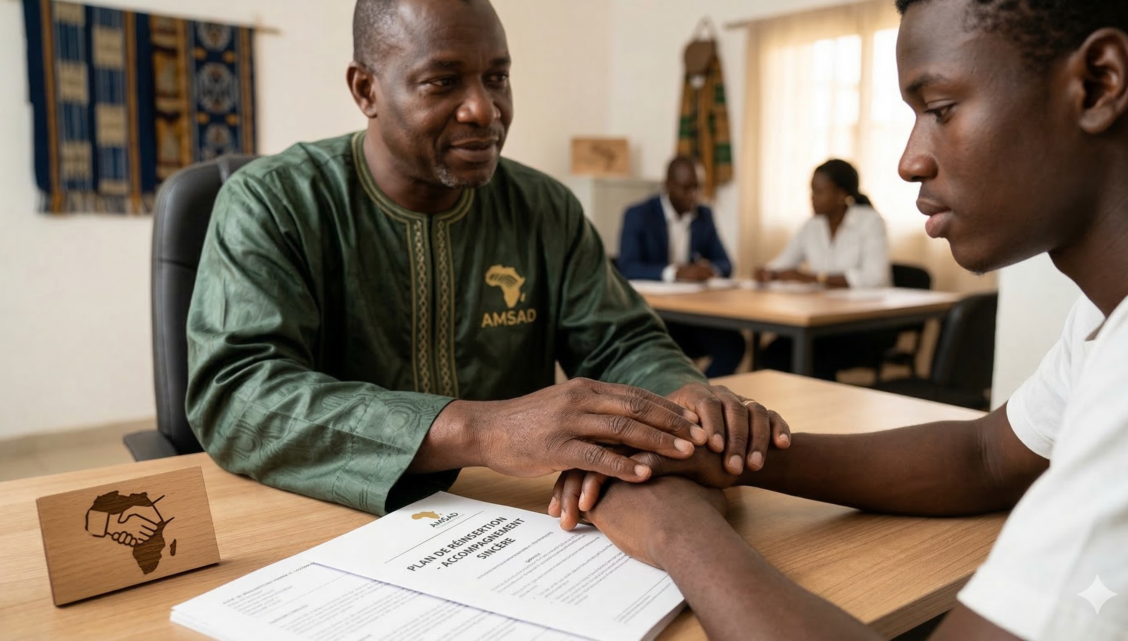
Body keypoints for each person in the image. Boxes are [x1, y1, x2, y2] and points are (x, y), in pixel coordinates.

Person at [555, 0, 1128, 638]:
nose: (910, 161)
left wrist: (678, 531)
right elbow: (986, 455)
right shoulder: (1104, 317)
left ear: (1098, 84)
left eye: (940, 110)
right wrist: (734, 460)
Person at [185, 0, 788, 517]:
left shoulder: (543, 206)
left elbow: (621, 342)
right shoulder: (273, 201)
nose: (484, 110)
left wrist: (684, 393)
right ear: (366, 90)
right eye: (442, 82)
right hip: (320, 517)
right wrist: (483, 429)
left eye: (497, 78)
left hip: (516, 520)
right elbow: (237, 394)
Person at [755, 160, 894, 379]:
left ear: (841, 194)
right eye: (811, 191)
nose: (812, 198)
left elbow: (875, 277)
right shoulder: (812, 225)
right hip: (821, 323)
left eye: (819, 191)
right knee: (773, 353)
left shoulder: (869, 222)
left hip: (861, 325)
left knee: (814, 358)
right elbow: (784, 262)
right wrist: (768, 271)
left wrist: (814, 278)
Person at [617, 156, 745, 377]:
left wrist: (709, 269)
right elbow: (627, 267)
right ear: (667, 185)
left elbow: (726, 264)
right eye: (687, 188)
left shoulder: (704, 215)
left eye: (698, 188)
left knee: (734, 344)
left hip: (694, 315)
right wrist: (675, 272)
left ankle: (703, 395)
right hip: (655, 317)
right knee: (662, 354)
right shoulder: (639, 214)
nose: (693, 195)